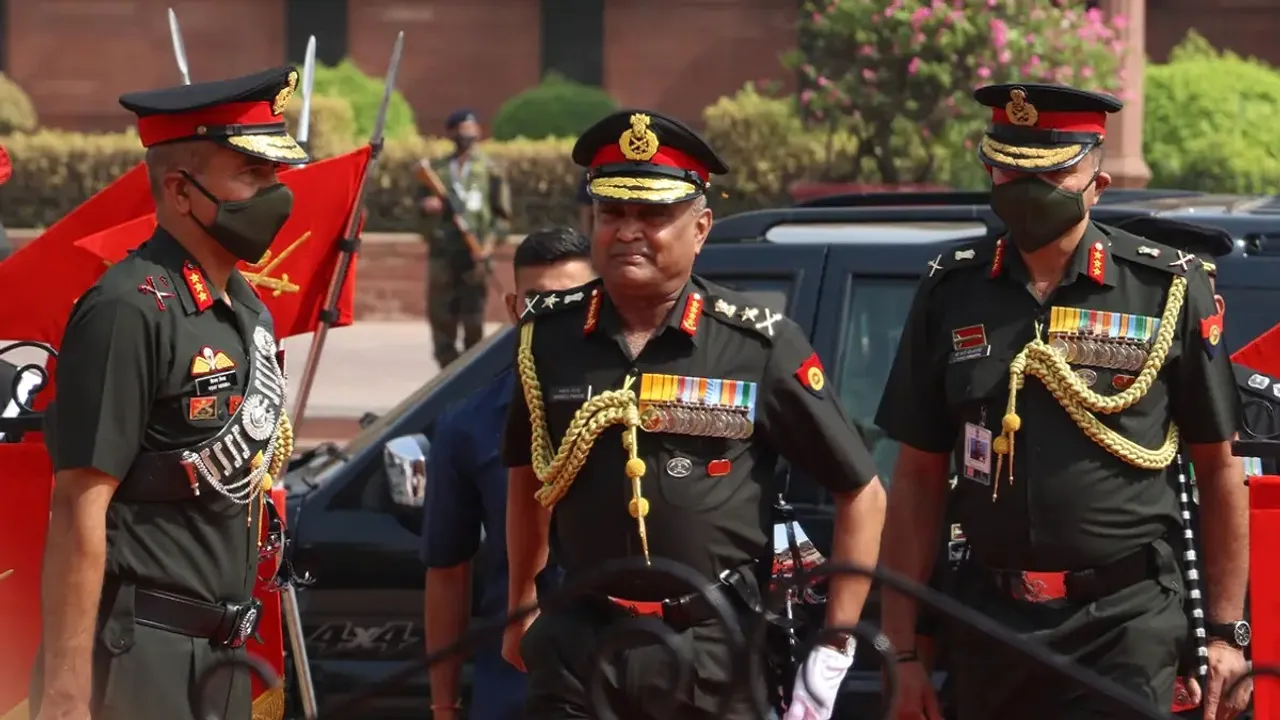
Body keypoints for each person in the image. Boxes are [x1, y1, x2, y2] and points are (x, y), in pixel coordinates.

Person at [875, 83, 1251, 720]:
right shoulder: (951, 289)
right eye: (1011, 171)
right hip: (989, 623)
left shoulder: (1162, 287)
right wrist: (902, 650)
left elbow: (1219, 468)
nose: (1028, 189)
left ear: (1097, 183)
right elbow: (916, 479)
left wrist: (1224, 634)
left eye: (1051, 173)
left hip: (1123, 626)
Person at [500, 109, 887, 720]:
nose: (628, 231)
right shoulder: (547, 337)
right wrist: (522, 600)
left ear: (701, 228)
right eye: (612, 213)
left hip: (712, 650)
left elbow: (861, 491)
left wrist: (835, 645)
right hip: (579, 643)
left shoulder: (758, 345)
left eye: (653, 215)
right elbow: (529, 476)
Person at [31, 66, 304, 720]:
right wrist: (66, 690)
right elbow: (77, 504)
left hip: (224, 654)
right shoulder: (127, 310)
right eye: (251, 175)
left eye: (274, 175)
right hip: (141, 656)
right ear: (181, 191)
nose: (274, 195)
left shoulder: (248, 309)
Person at [421, 227, 594, 719]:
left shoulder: (638, 406)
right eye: (538, 301)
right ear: (514, 307)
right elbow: (447, 572)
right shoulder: (469, 424)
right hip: (516, 683)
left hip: (622, 677)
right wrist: (443, 705)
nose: (553, 314)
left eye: (571, 300)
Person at [419, 108, 512, 368]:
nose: (467, 136)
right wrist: (427, 209)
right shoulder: (436, 171)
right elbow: (418, 213)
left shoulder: (490, 170)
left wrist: (487, 246)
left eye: (471, 130)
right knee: (441, 318)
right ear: (451, 133)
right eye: (461, 130)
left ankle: (471, 374)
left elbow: (502, 217)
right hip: (444, 253)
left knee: (473, 319)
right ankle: (447, 372)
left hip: (475, 255)